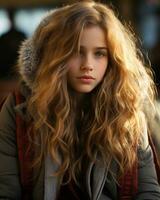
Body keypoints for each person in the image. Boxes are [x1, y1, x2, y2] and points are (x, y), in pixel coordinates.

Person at [0, 1, 160, 199]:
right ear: (56, 56)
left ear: (113, 59)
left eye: (99, 53)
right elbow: (6, 193)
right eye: (76, 52)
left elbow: (148, 192)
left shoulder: (127, 109)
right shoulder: (19, 109)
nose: (88, 65)